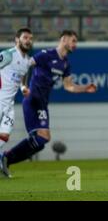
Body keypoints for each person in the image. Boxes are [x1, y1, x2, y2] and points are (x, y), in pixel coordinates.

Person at [0, 30, 97, 178]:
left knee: (42, 139)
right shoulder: (46, 54)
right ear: (64, 39)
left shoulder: (65, 64)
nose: (75, 45)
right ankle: (6, 157)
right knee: (42, 137)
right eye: (73, 41)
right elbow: (26, 65)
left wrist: (85, 88)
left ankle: (7, 158)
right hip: (33, 99)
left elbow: (69, 86)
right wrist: (24, 87)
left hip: (42, 102)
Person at [0, 28, 33, 155]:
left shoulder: (27, 61)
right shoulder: (8, 55)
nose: (28, 41)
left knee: (4, 135)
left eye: (30, 38)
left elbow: (22, 81)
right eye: (25, 37)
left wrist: (24, 88)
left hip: (9, 105)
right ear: (17, 39)